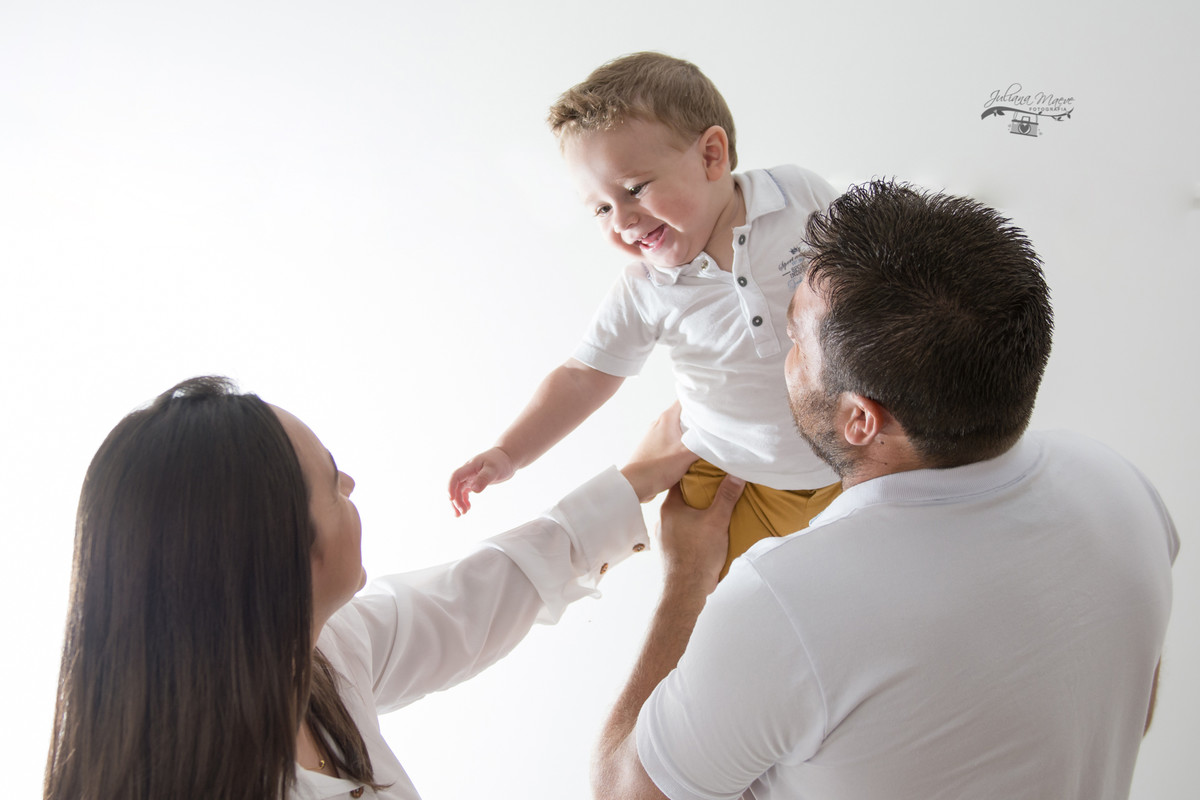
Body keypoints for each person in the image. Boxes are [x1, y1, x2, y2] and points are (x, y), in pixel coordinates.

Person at [592, 181, 1179, 800]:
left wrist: (685, 580)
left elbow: (621, 792)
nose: (782, 360)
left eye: (794, 341)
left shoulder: (783, 604)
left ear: (861, 420)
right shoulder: (1119, 487)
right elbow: (1128, 706)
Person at [43, 376, 696, 800]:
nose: (350, 486)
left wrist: (633, 482)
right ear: (283, 557)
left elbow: (464, 604)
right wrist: (686, 581)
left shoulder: (312, 656)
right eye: (331, 483)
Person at [448, 51, 842, 577]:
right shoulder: (645, 288)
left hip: (853, 459)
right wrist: (507, 454)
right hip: (734, 479)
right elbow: (583, 377)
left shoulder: (795, 195)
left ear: (711, 156)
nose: (623, 220)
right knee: (717, 612)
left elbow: (876, 258)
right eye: (601, 208)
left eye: (634, 189)